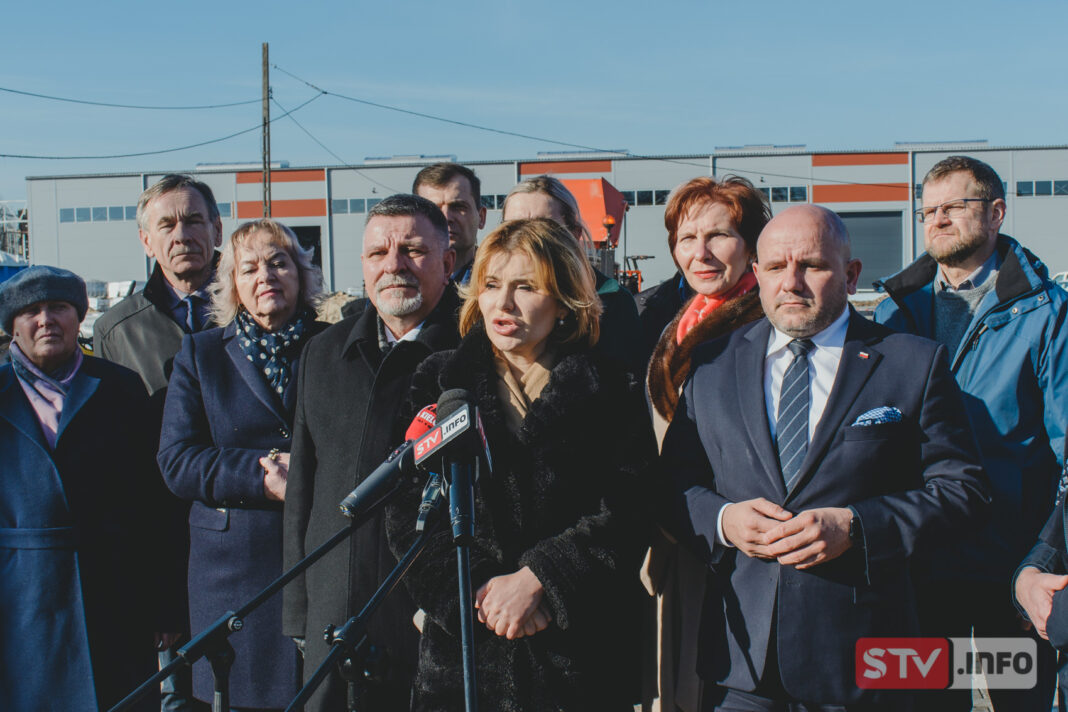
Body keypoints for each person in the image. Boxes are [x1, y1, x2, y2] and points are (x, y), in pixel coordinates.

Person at [660, 205, 990, 710]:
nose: (791, 283)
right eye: (775, 267)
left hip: (865, 666)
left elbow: (963, 492)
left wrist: (857, 526)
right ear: (757, 275)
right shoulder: (711, 363)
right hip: (742, 665)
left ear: (851, 274)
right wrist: (724, 521)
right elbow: (672, 485)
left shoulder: (913, 363)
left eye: (811, 265)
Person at [385, 217, 656, 711]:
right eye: (491, 285)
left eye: (526, 287)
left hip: (576, 663)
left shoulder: (612, 390)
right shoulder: (439, 383)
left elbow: (629, 510)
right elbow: (408, 514)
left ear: (565, 300)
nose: (503, 303)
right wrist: (480, 595)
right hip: (465, 663)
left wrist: (542, 580)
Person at [874, 155, 1068, 712]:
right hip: (921, 563)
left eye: (953, 207)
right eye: (928, 210)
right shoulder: (893, 313)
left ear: (996, 212)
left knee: (1017, 699)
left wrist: (1044, 558)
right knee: (928, 701)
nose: (936, 219)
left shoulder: (1045, 315)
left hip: (1012, 569)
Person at [282, 194, 460, 711]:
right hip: (336, 623)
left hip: (435, 624)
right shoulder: (323, 353)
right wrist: (299, 614)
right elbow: (303, 491)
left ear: (448, 261)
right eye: (378, 253)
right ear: (362, 265)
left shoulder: (477, 350)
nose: (393, 265)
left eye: (413, 250)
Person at [157, 220, 326, 709]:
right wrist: (264, 475)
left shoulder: (336, 346)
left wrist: (307, 476)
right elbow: (177, 460)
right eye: (249, 268)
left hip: (321, 559)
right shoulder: (200, 354)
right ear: (232, 284)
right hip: (232, 577)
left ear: (302, 274)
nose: (265, 276)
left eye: (278, 263)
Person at [0, 266, 165, 711]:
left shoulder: (119, 388)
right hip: (20, 598)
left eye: (58, 307)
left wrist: (162, 604)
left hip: (114, 593)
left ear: (79, 316)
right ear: (12, 325)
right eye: (31, 311)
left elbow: (152, 503)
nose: (46, 320)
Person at [637, 176, 770, 712]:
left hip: (735, 539)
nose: (701, 252)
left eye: (719, 235)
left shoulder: (768, 322)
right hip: (677, 532)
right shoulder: (677, 321)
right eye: (686, 238)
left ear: (752, 243)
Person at [93, 173, 224, 711]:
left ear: (217, 229)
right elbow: (119, 468)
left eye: (194, 220)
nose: (182, 234)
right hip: (167, 545)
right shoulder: (116, 331)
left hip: (250, 534)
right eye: (166, 225)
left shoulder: (260, 306)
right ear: (147, 242)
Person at [500, 175, 645, 375]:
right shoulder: (487, 298)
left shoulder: (613, 302)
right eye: (513, 227)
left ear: (574, 233)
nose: (527, 238)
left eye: (543, 228)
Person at [413, 162, 486, 284]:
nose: (446, 217)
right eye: (433, 209)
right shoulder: (401, 282)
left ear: (481, 217)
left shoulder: (501, 280)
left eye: (458, 207)